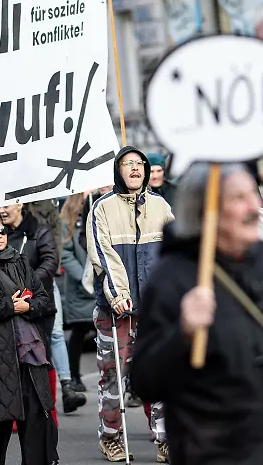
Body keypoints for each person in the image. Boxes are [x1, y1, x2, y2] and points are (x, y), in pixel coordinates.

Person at [131, 163, 263, 465]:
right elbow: (145, 381)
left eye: (253, 193)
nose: (255, 206)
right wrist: (182, 333)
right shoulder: (172, 278)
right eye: (239, 198)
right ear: (205, 210)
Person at [88, 146, 173, 462]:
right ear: (118, 170)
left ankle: (165, 439)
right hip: (116, 310)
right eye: (128, 164)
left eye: (140, 164)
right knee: (114, 377)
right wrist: (118, 295)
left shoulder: (161, 207)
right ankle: (110, 437)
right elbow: (102, 256)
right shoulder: (102, 208)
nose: (136, 168)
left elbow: (173, 254)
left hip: (154, 311)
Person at [0, 213, 58, 465]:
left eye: (1, 230)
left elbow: (42, 297)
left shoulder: (19, 259)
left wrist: (27, 308)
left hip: (29, 353)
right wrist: (9, 306)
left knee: (35, 419)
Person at [0, 202, 85, 415]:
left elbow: (51, 257)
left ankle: (62, 391)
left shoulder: (41, 223)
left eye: (6, 205)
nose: (1, 210)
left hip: (40, 294)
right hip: (8, 299)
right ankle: (16, 411)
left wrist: (28, 284)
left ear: (19, 205)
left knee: (49, 341)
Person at [59, 192, 96, 392]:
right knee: (79, 331)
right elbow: (65, 254)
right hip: (80, 287)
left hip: (99, 284)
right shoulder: (67, 221)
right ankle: (74, 376)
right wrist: (84, 278)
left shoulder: (98, 215)